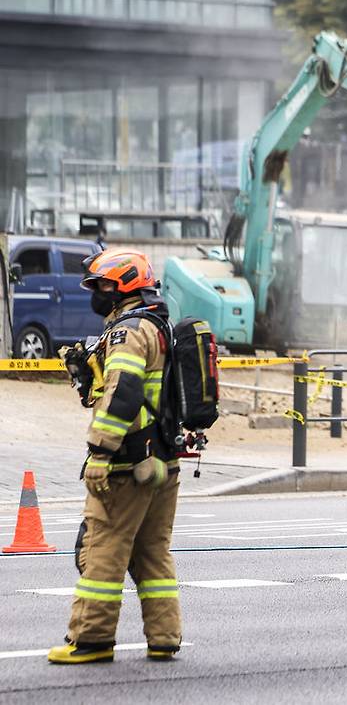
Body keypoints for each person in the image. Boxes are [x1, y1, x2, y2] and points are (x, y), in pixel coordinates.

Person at [48, 249, 182, 664]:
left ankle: (91, 639)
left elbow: (123, 392)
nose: (96, 293)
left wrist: (100, 454)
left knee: (103, 549)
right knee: (151, 552)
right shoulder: (158, 325)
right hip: (162, 462)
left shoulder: (128, 331)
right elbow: (130, 392)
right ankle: (164, 638)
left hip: (126, 464)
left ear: (122, 285)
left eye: (101, 285)